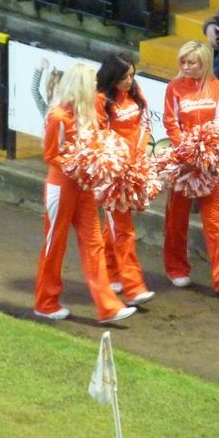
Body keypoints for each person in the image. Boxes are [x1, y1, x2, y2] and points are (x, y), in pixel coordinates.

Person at [35, 62, 136, 324]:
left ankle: (108, 307)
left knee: (94, 244)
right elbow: (49, 155)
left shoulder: (89, 114)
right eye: (91, 85)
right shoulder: (58, 116)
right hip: (61, 188)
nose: (96, 89)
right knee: (54, 245)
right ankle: (45, 303)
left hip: (84, 189)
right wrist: (77, 164)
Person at [162, 41, 219, 294]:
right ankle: (176, 268)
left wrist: (209, 152)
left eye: (191, 62)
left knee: (214, 218)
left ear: (203, 63)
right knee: (176, 217)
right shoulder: (174, 88)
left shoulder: (215, 86)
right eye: (182, 62)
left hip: (209, 163)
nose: (185, 66)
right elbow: (171, 123)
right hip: (183, 162)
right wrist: (186, 149)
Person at [95, 54, 155, 307]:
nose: (129, 81)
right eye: (124, 77)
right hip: (113, 172)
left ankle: (112, 275)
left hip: (134, 167)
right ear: (112, 77)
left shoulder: (135, 93)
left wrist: (139, 153)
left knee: (115, 227)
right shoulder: (100, 101)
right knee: (123, 230)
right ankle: (133, 286)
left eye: (132, 75)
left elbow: (145, 125)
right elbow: (100, 135)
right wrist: (120, 160)